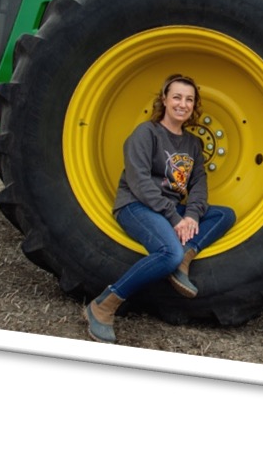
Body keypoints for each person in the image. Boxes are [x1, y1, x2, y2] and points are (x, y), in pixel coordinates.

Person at [84, 74, 236, 343]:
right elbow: (139, 180)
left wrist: (190, 215)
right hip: (136, 205)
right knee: (167, 253)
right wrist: (174, 217)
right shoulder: (147, 133)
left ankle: (185, 258)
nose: (183, 104)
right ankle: (103, 305)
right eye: (177, 97)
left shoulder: (192, 144)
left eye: (189, 99)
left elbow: (199, 184)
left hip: (173, 208)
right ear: (164, 100)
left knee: (225, 214)